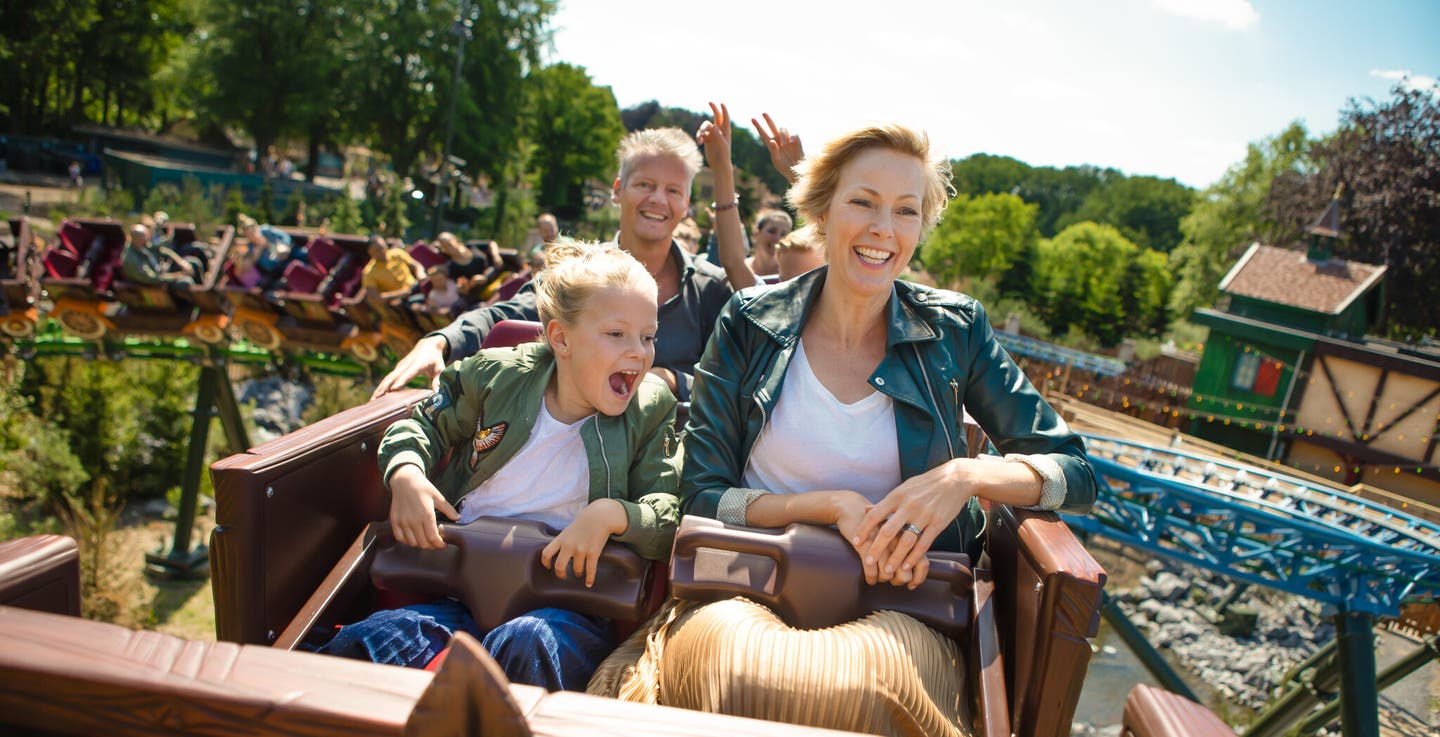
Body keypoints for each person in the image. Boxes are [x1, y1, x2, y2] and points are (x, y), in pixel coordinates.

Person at [595, 123, 1097, 735]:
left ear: (920, 227)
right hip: (748, 586)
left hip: (903, 605)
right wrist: (828, 508)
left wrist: (963, 475)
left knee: (864, 686)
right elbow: (701, 495)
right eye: (863, 202)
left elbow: (1075, 471)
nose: (883, 228)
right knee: (746, 670)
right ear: (822, 211)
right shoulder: (750, 322)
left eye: (906, 211)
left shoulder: (957, 328)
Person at [316, 239, 681, 692]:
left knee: (525, 646)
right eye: (616, 334)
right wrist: (406, 472)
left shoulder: (648, 409)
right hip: (458, 588)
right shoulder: (497, 377)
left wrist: (614, 515)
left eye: (648, 337)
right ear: (561, 338)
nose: (638, 353)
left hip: (566, 604)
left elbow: (667, 513)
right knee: (370, 642)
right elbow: (425, 426)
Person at [372, 118, 736, 402]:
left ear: (686, 204)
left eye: (673, 190)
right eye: (645, 185)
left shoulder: (709, 288)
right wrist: (439, 341)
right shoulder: (577, 273)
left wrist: (671, 380)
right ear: (617, 191)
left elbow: (731, 378)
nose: (658, 199)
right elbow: (507, 313)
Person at [119, 222, 196, 287]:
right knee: (186, 281)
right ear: (138, 239)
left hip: (162, 271)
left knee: (192, 263)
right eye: (145, 238)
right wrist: (179, 275)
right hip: (153, 285)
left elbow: (162, 251)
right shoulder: (131, 259)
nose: (147, 239)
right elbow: (153, 278)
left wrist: (182, 263)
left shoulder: (142, 245)